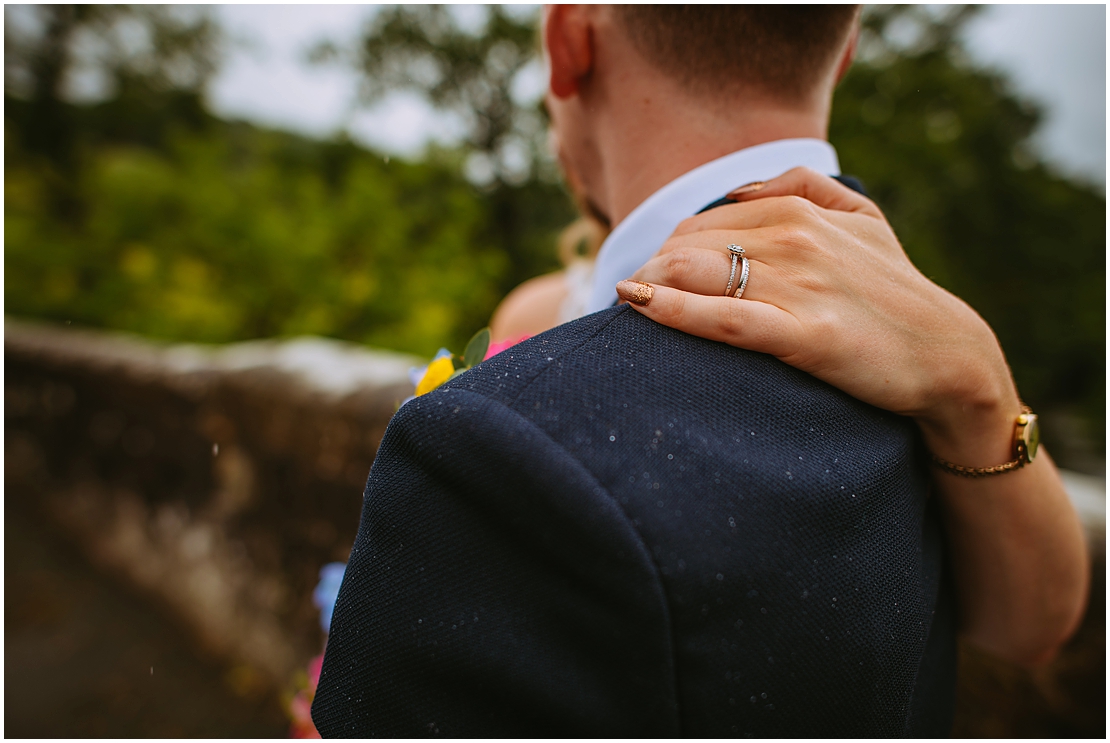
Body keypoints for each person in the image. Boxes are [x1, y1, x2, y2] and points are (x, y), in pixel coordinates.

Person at [312, 7, 1087, 736]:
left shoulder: (492, 449)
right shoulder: (913, 354)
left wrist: (981, 382)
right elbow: (1029, 627)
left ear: (569, 39)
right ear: (843, 54)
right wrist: (981, 389)